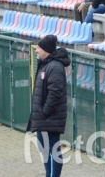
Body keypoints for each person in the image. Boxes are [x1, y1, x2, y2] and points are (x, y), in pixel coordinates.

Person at [27, 35, 70, 177]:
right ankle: (49, 174)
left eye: (39, 47)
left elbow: (55, 93)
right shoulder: (46, 64)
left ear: (46, 50)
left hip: (50, 117)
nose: (36, 50)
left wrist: (45, 112)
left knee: (52, 147)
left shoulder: (55, 67)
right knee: (43, 147)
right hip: (44, 117)